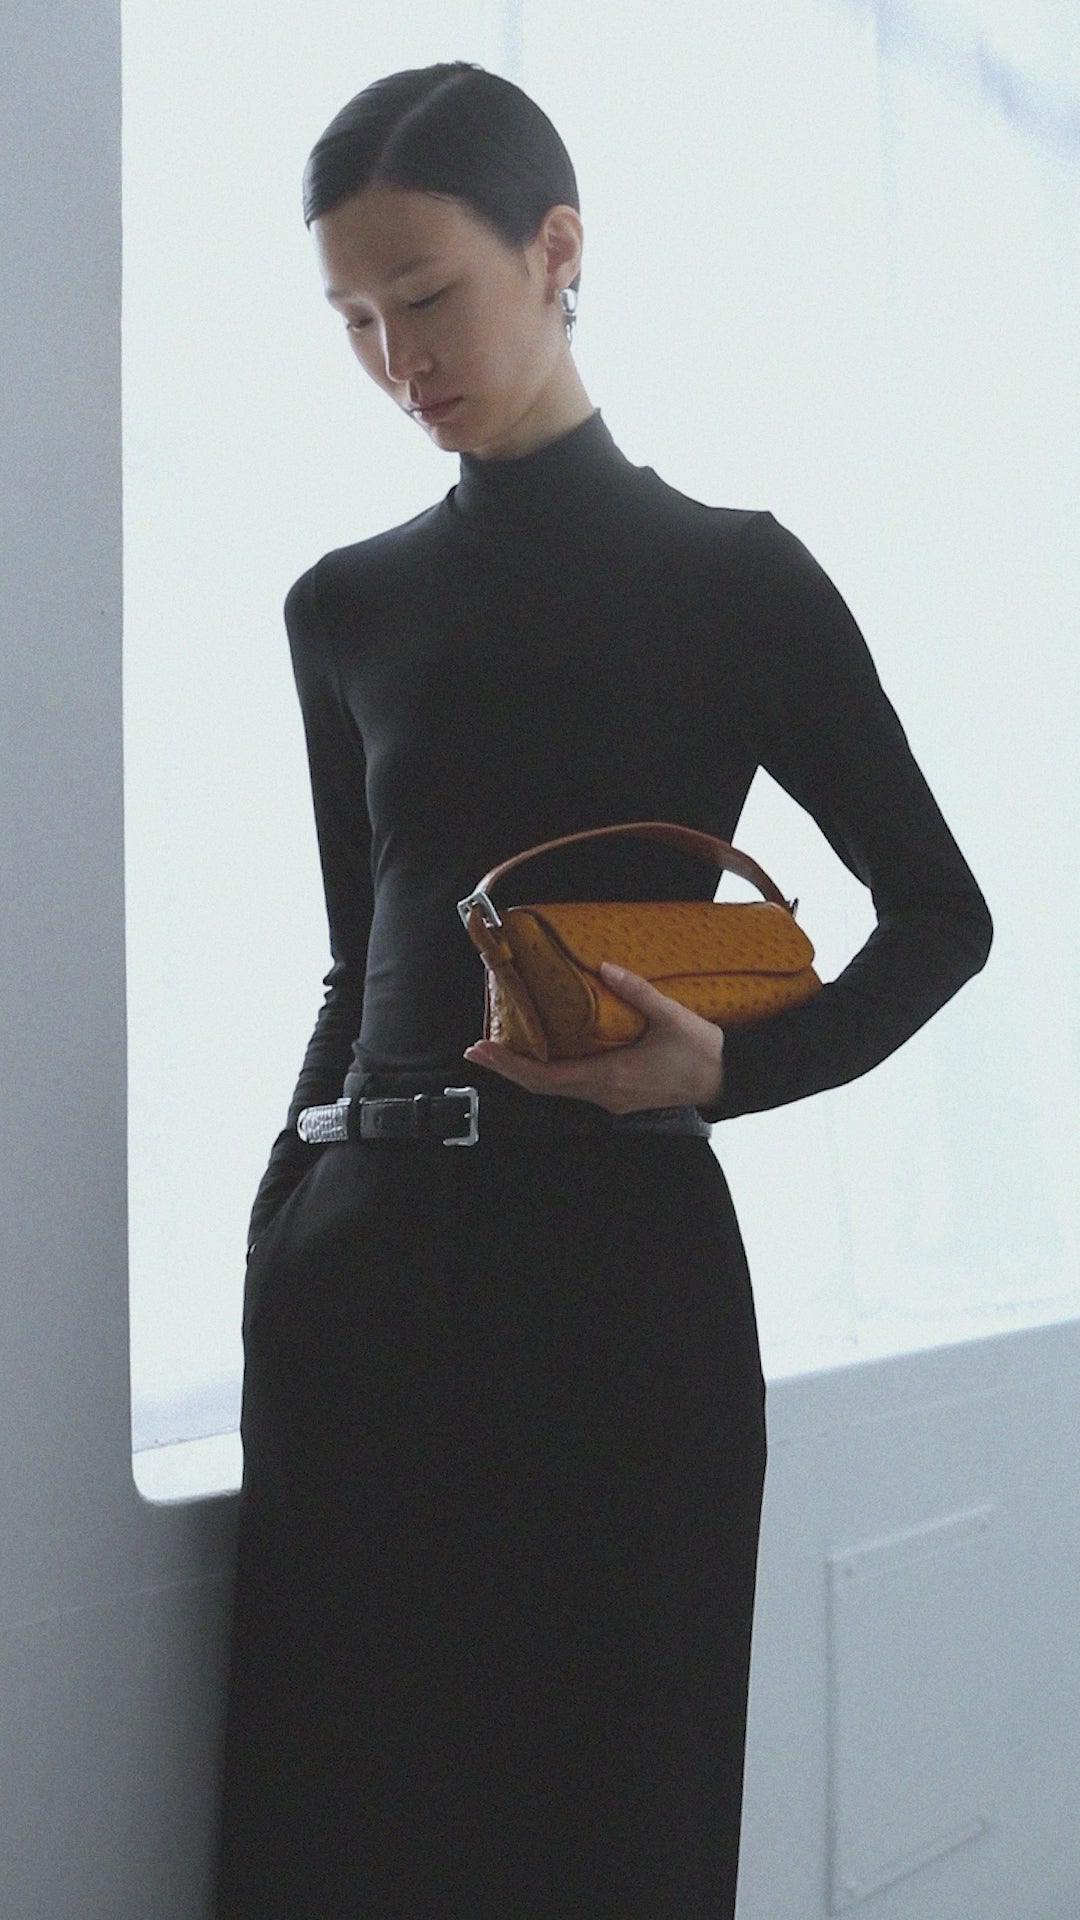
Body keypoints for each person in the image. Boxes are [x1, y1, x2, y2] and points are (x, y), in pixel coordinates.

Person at [214, 60, 992, 1920]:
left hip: (619, 1295)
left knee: (612, 1833)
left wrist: (725, 1076)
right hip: (360, 1292)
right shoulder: (343, 606)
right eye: (352, 320)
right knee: (342, 1840)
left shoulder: (736, 579)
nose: (396, 358)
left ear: (557, 249)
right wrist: (285, 1218)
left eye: (425, 296)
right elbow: (359, 958)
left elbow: (942, 919)